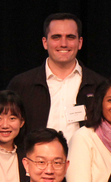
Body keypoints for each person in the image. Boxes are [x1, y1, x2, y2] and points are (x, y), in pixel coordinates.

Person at [7, 13, 105, 142]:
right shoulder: (21, 85)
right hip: (34, 161)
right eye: (56, 37)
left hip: (85, 161)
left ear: (80, 43)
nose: (63, 44)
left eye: (70, 37)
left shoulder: (100, 86)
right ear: (45, 42)